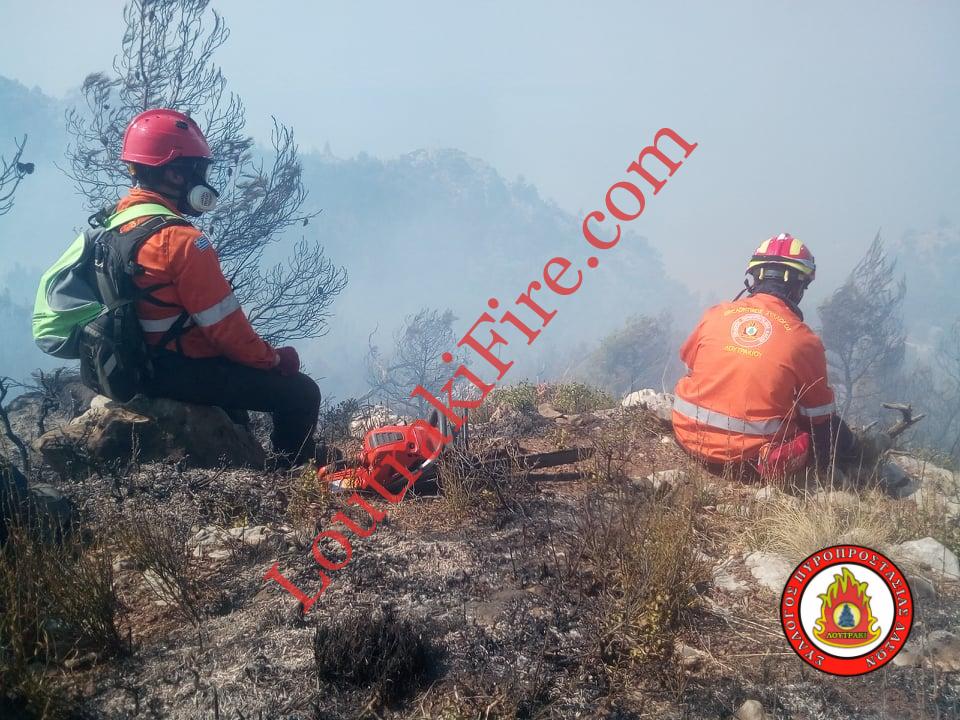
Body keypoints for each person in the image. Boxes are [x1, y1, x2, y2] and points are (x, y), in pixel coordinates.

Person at [111, 108, 321, 466]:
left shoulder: (118, 224)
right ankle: (294, 473)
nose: (203, 181)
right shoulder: (181, 241)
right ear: (175, 173)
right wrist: (274, 359)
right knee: (301, 393)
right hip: (174, 370)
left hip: (135, 367)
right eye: (198, 170)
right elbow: (227, 334)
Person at [672, 233, 858, 480]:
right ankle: (861, 460)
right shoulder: (805, 341)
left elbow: (691, 366)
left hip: (686, 437)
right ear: (799, 287)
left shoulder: (714, 314)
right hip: (750, 462)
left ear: (754, 278)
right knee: (831, 431)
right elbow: (819, 417)